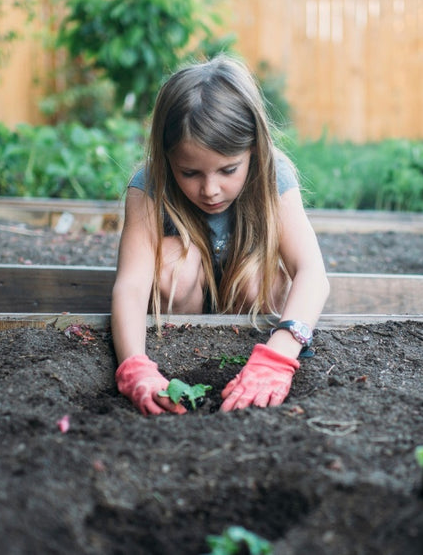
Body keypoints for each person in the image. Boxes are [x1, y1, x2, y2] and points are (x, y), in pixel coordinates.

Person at [111, 54, 330, 415]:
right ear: (167, 160)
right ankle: (184, 352)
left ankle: (246, 363)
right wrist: (134, 365)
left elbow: (312, 274)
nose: (210, 189)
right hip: (177, 318)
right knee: (172, 263)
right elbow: (131, 285)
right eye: (190, 173)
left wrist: (280, 355)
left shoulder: (274, 175)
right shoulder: (150, 185)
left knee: (262, 275)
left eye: (228, 169)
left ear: (255, 150)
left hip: (250, 314)